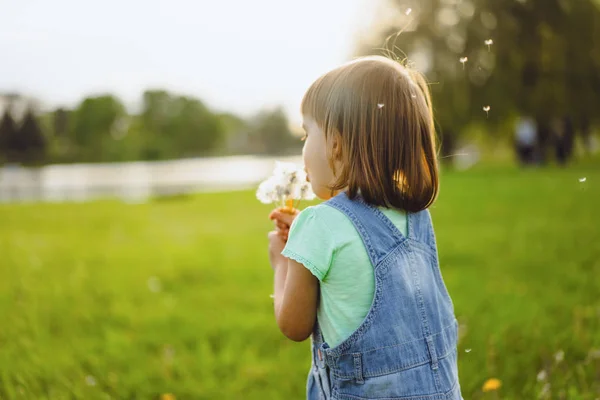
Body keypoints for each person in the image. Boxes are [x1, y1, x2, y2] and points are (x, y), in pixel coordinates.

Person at [266, 55, 461, 399]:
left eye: (306, 134)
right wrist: (305, 244)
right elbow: (357, 245)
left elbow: (293, 325)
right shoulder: (414, 213)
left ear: (337, 144)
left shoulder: (318, 224)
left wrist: (283, 261)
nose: (303, 148)